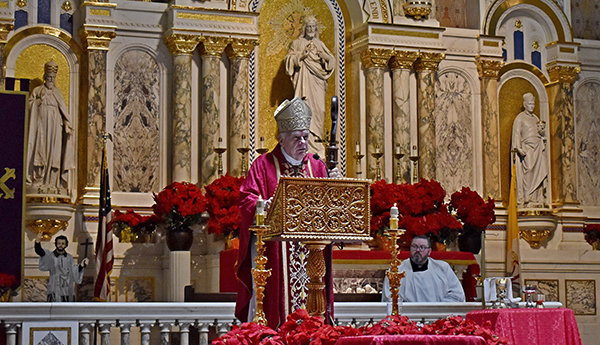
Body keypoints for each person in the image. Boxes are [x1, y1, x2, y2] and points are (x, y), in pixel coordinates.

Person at [235, 97, 340, 329]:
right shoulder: (263, 165)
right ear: (281, 139)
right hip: (275, 253)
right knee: (276, 310)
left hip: (312, 254)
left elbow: (329, 212)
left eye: (306, 136)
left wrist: (336, 189)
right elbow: (246, 201)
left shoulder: (318, 166)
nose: (303, 142)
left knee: (313, 315)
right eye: (297, 137)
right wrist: (266, 206)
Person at [285, 15, 335, 157]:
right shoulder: (297, 43)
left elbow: (331, 61)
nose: (311, 29)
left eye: (313, 27)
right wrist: (301, 56)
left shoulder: (320, 44)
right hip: (303, 84)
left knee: (319, 111)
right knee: (304, 112)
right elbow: (289, 60)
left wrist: (325, 58)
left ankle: (317, 146)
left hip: (318, 83)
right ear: (304, 28)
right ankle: (303, 146)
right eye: (309, 27)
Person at [26, 60, 74, 195]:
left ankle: (53, 182)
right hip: (40, 125)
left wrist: (66, 123)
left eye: (53, 78)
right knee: (40, 150)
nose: (51, 80)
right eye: (49, 77)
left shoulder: (58, 93)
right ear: (44, 77)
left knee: (54, 153)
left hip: (55, 127)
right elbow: (29, 106)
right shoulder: (37, 91)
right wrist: (37, 103)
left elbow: (63, 110)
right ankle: (38, 180)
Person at [382, 235, 465, 302]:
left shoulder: (442, 268)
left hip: (438, 317)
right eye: (414, 246)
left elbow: (457, 294)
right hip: (407, 318)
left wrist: (438, 309)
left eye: (422, 247)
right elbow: (389, 299)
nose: (418, 250)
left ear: (429, 251)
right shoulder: (396, 271)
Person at [511, 92, 548, 208]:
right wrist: (518, 148)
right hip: (527, 148)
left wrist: (542, 133)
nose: (532, 106)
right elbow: (516, 134)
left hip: (537, 147)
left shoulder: (536, 118)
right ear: (525, 104)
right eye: (530, 104)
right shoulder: (520, 118)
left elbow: (540, 133)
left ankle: (536, 197)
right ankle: (527, 196)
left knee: (539, 172)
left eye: (533, 104)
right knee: (529, 170)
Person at [35, 234, 88, 302]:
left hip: (67, 290)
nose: (60, 245)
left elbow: (74, 271)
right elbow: (40, 252)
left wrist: (82, 265)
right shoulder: (51, 256)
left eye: (63, 243)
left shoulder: (69, 258)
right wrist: (37, 242)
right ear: (56, 244)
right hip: (54, 288)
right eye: (59, 243)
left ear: (66, 245)